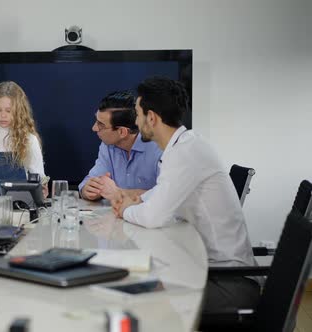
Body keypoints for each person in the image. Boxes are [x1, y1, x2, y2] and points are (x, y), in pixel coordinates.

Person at [111, 77, 259, 311]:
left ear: (152, 118)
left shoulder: (185, 152)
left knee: (140, 303)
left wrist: (126, 209)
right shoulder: (185, 146)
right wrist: (139, 200)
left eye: (138, 114)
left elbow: (152, 217)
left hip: (230, 283)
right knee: (140, 285)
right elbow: (164, 193)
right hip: (207, 270)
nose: (136, 122)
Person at [79, 91, 161, 201]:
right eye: (96, 121)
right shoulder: (107, 146)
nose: (94, 128)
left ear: (122, 132)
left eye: (101, 125)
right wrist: (87, 189)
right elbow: (91, 180)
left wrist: (119, 193)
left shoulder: (159, 147)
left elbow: (167, 195)